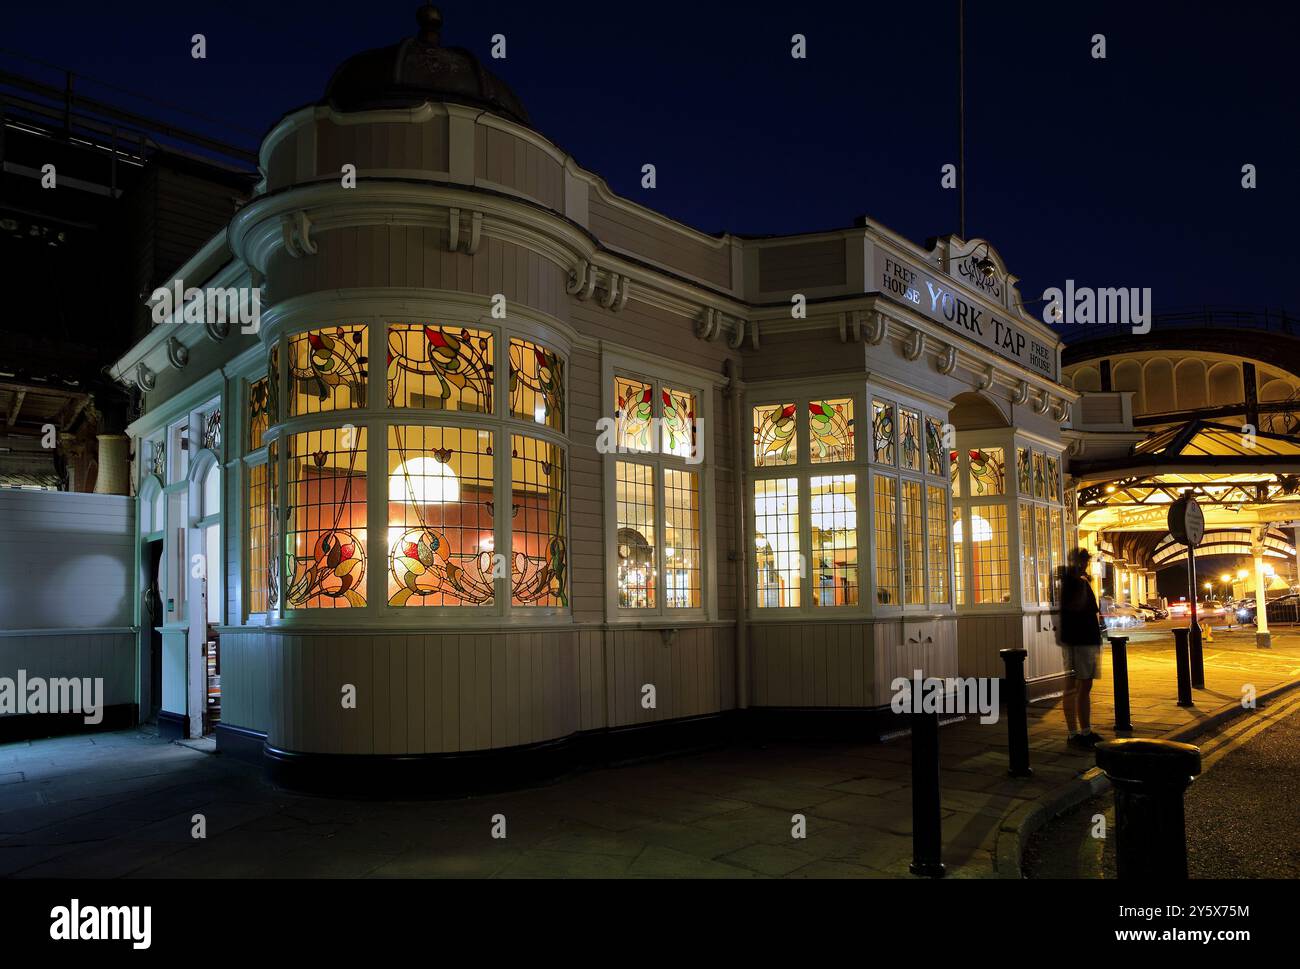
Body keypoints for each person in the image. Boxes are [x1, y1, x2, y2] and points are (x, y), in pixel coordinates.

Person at [1057, 548, 1105, 749]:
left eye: (1086, 562)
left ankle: (1084, 731)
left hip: (1085, 638)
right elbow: (1076, 607)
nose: (1084, 565)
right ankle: (1074, 733)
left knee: (1084, 687)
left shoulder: (1077, 581)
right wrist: (1084, 585)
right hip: (1079, 639)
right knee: (1075, 687)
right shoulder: (1072, 582)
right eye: (1082, 562)